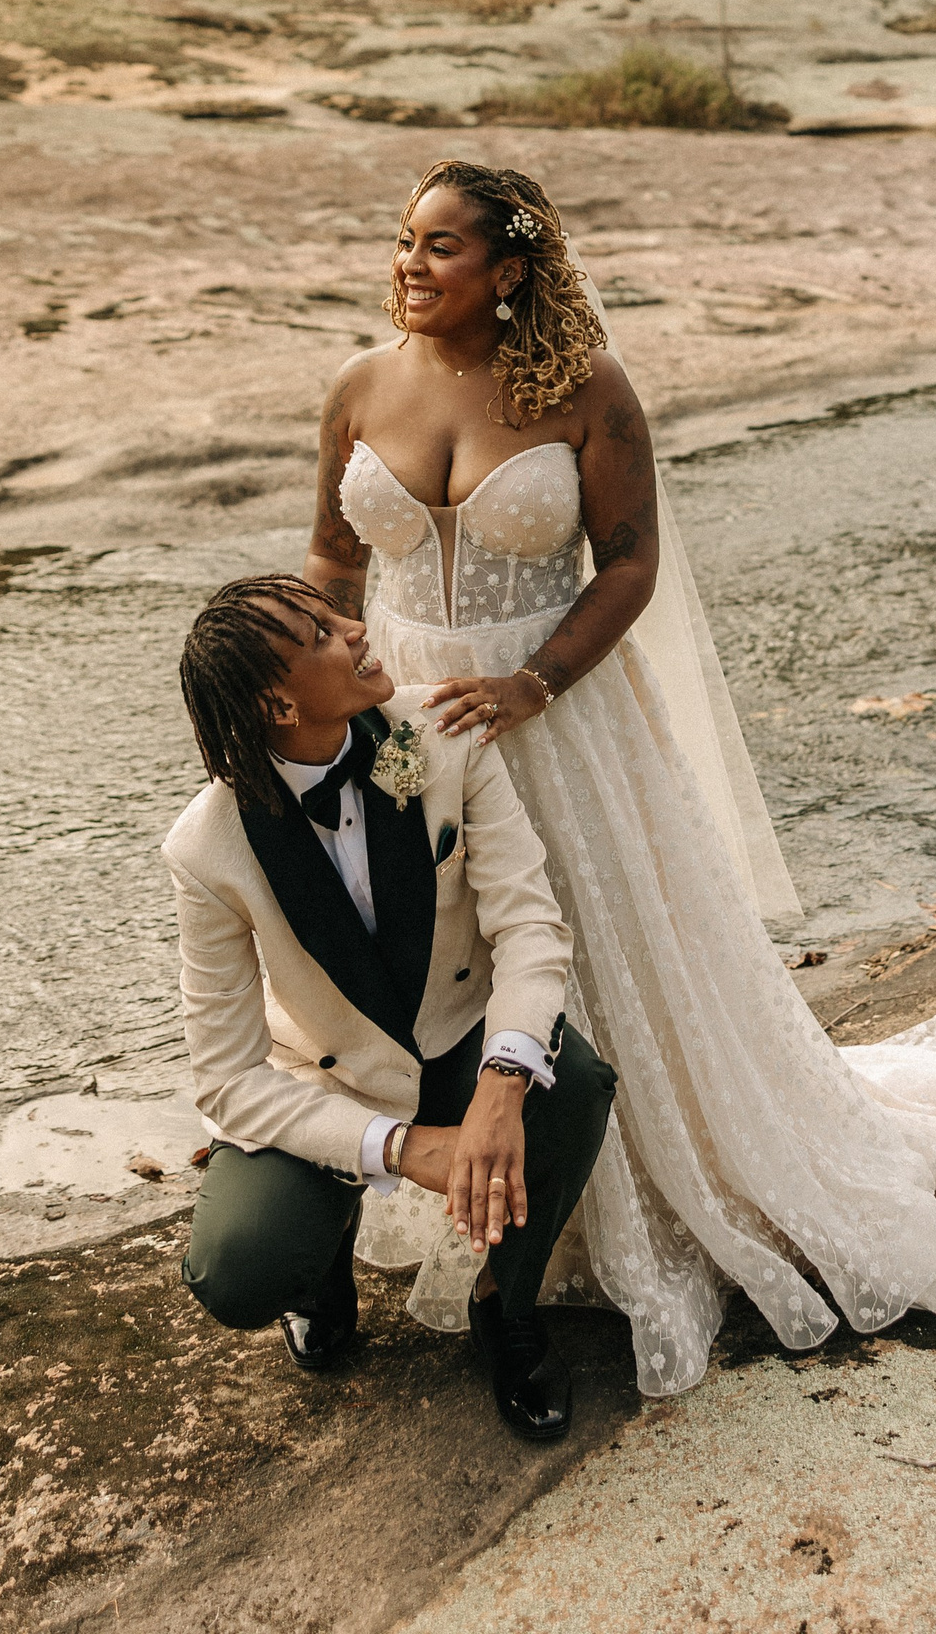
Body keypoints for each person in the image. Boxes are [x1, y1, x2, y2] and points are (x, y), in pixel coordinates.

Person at [302, 159, 936, 1399]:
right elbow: (330, 563)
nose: (409, 264)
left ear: (511, 269)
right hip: (403, 728)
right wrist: (330, 704)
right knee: (427, 960)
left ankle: (566, 1234)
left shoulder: (589, 392)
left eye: (440, 246)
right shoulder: (359, 386)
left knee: (588, 959)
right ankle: (437, 1185)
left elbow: (629, 565)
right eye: (404, 240)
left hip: (557, 724)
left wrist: (535, 682)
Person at [164, 572, 616, 1440]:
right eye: (322, 635)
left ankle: (505, 1306)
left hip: (457, 1036)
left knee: (577, 1089)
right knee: (239, 1268)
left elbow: (529, 926)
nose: (357, 628)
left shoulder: (443, 732)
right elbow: (226, 1080)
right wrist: (402, 1148)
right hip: (328, 1074)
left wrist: (501, 1086)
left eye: (336, 616)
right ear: (279, 706)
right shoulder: (205, 848)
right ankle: (319, 1271)